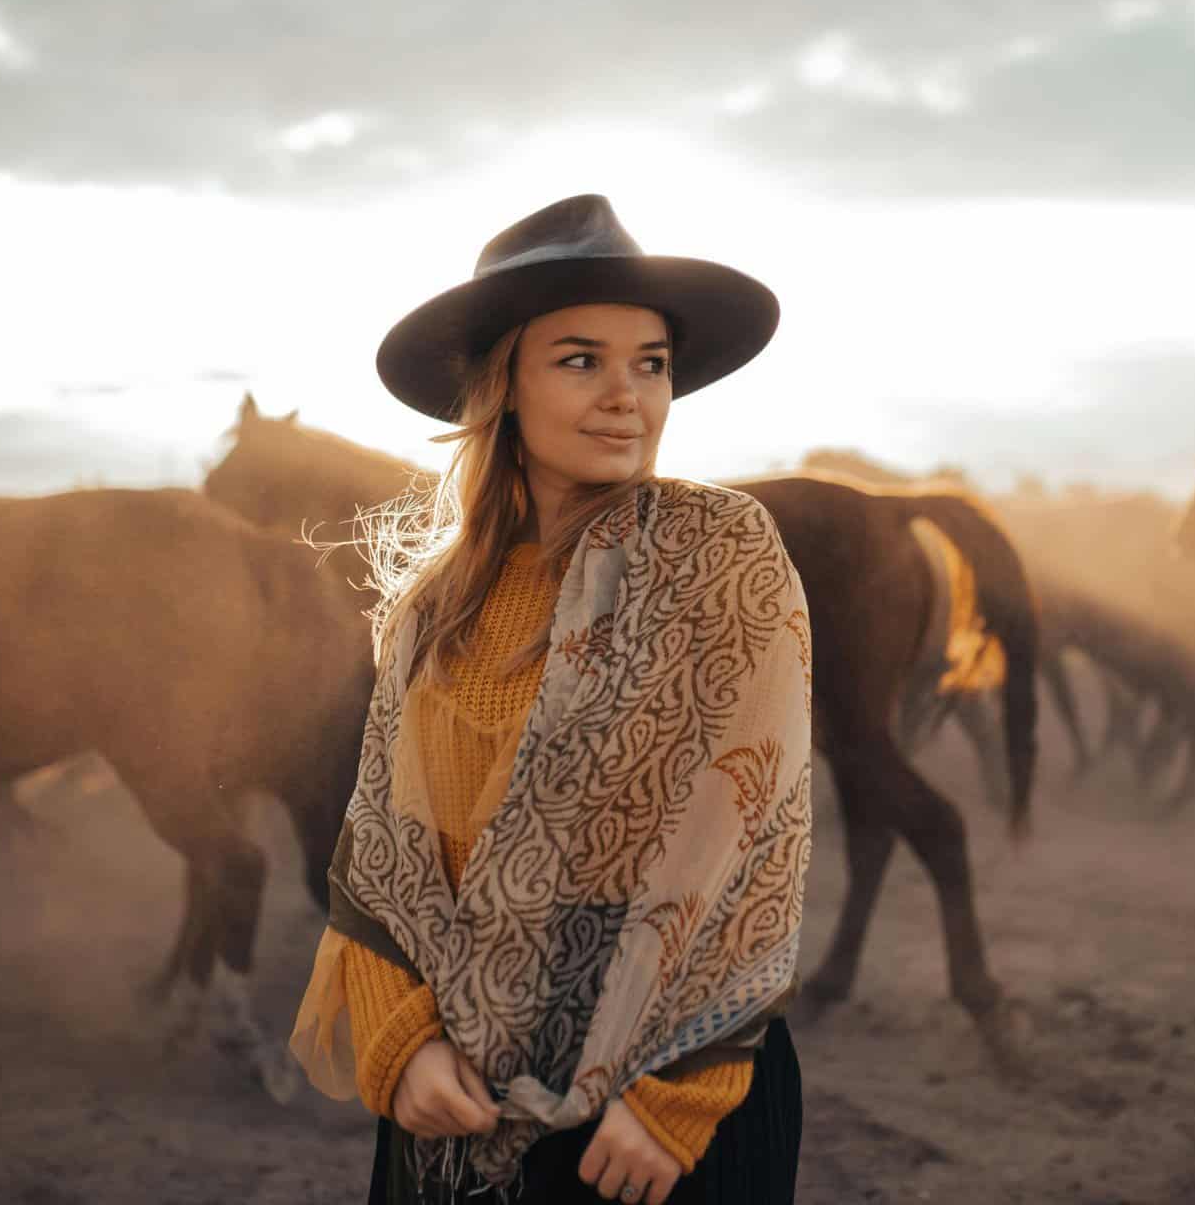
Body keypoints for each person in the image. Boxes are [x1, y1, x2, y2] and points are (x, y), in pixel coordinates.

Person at [289, 193, 813, 1204]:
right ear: (506, 387)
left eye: (650, 362)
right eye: (581, 359)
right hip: (455, 1091)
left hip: (662, 1103)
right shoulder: (434, 606)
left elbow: (755, 835)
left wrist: (680, 1088)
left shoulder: (719, 555)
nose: (627, 395)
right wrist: (401, 1042)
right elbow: (389, 852)